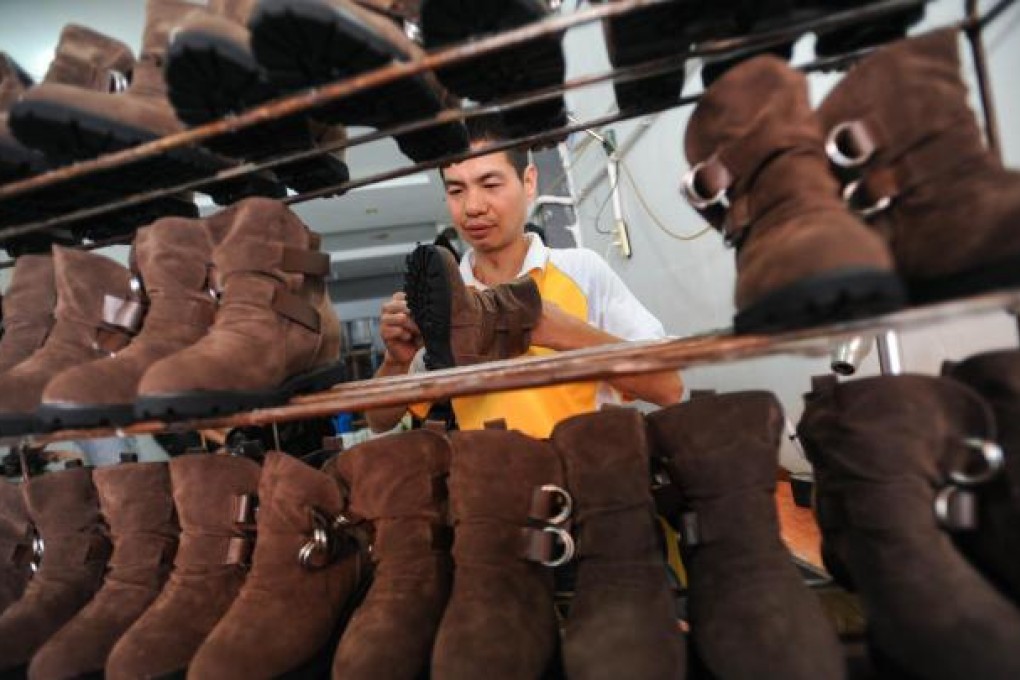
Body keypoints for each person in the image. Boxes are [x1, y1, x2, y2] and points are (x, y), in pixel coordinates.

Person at [367, 116, 683, 438]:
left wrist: (564, 333)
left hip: (589, 475)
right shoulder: (446, 300)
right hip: (494, 479)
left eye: (490, 185)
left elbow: (669, 388)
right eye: (456, 190)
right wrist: (397, 361)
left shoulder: (582, 271)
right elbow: (379, 421)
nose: (473, 206)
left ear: (529, 182)